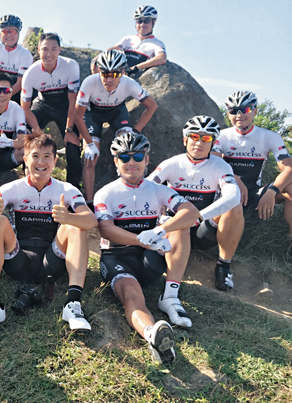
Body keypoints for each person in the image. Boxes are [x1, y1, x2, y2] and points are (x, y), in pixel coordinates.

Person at [0, 132, 95, 334]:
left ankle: (73, 305)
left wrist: (68, 218)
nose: (41, 162)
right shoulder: (11, 188)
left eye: (47, 156)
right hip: (17, 260)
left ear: (55, 161)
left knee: (75, 226)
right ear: (25, 159)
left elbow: (91, 221)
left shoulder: (67, 189)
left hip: (51, 263)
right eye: (35, 156)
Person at [93, 132, 200, 365]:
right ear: (116, 161)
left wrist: (159, 231)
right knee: (131, 294)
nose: (131, 162)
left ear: (147, 160)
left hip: (148, 257)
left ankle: (170, 296)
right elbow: (106, 229)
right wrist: (141, 239)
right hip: (117, 257)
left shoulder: (157, 189)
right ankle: (152, 335)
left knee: (180, 226)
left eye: (138, 156)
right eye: (125, 157)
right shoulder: (106, 193)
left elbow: (191, 213)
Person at [147, 116, 242, 329]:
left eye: (206, 138)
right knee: (179, 220)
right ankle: (170, 295)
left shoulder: (221, 166)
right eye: (194, 137)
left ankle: (223, 266)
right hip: (174, 227)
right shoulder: (172, 163)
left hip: (202, 229)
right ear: (185, 140)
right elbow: (145, 188)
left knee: (235, 207)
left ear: (213, 143)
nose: (199, 142)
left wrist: (198, 216)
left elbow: (233, 195)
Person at [74, 50, 157, 203]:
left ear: (123, 72)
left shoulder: (129, 83)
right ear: (99, 71)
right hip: (93, 114)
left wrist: (135, 131)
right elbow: (78, 116)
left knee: (128, 149)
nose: (109, 79)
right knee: (90, 158)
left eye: (115, 74)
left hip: (117, 113)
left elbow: (152, 106)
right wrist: (89, 144)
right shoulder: (90, 82)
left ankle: (129, 195)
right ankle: (90, 203)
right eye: (105, 74)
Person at [213, 91, 292, 235]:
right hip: (227, 190)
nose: (239, 115)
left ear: (255, 111)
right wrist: (234, 179)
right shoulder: (220, 136)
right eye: (234, 111)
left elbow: (289, 169)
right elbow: (213, 165)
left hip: (255, 192)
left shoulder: (270, 136)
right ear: (228, 114)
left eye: (245, 109)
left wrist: (272, 191)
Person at [21, 33, 82, 188]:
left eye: (53, 49)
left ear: (60, 49)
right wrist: (37, 131)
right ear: (38, 50)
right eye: (45, 49)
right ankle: (28, 180)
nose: (49, 54)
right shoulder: (30, 73)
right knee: (27, 135)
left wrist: (69, 130)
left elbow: (73, 101)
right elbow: (25, 108)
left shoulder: (71, 66)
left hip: (65, 104)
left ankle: (73, 188)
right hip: (43, 102)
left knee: (73, 144)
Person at [0, 15, 33, 104]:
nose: (9, 35)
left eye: (13, 32)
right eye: (5, 31)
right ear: (0, 34)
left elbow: (20, 83)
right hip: (4, 89)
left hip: (20, 91)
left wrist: (1, 97)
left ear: (18, 34)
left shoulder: (25, 54)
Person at [107, 5, 166, 76]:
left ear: (153, 22)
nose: (142, 24)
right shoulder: (127, 39)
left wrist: (136, 68)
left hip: (139, 78)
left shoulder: (157, 43)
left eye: (146, 20)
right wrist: (98, 57)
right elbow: (113, 50)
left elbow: (162, 58)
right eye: (139, 21)